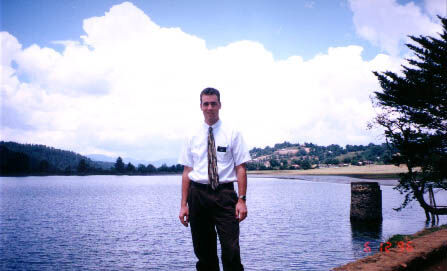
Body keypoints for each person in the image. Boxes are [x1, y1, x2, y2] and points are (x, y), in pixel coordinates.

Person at [178, 87, 251, 271]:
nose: (210, 107)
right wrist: (183, 204)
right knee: (204, 251)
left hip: (225, 195)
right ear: (200, 106)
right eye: (206, 104)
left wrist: (241, 200)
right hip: (198, 195)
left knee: (230, 248)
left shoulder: (232, 132)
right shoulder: (191, 135)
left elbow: (241, 167)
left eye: (213, 103)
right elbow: (187, 171)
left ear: (220, 105)